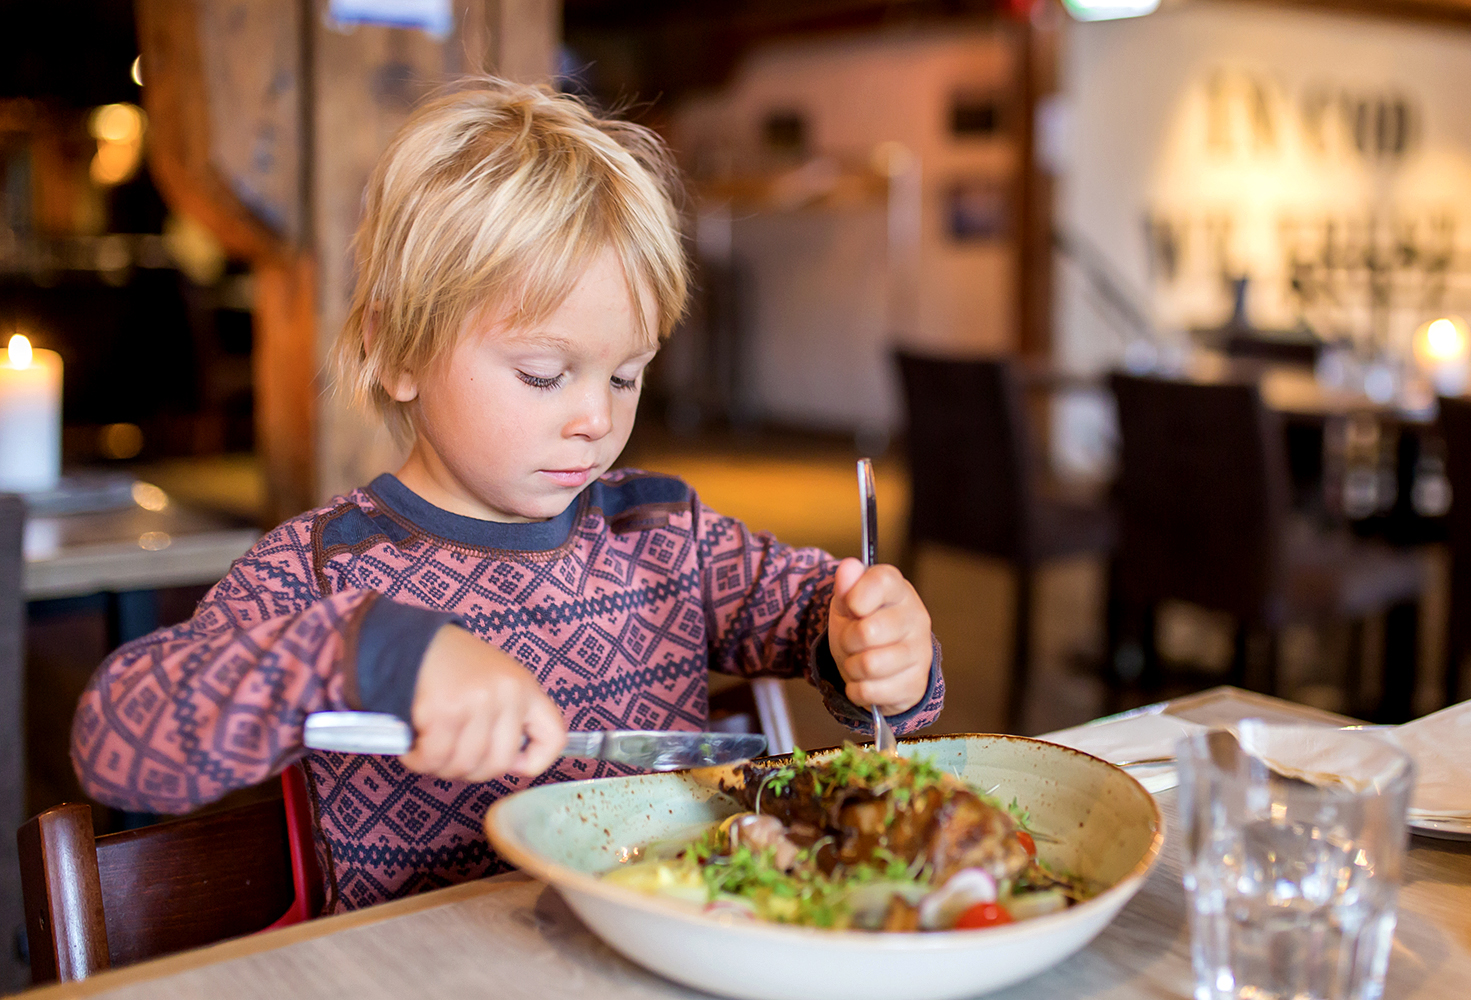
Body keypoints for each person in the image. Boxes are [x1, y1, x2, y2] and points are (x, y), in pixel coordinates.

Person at [70, 80, 943, 913]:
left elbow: (821, 620)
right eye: (543, 374)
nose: (596, 418)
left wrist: (872, 644)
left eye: (628, 374)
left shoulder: (665, 533)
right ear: (395, 351)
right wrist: (366, 655)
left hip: (668, 942)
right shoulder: (324, 572)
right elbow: (113, 741)